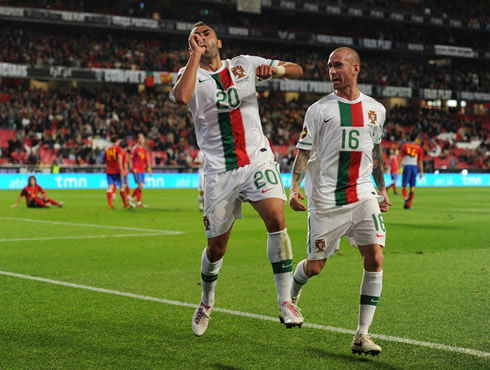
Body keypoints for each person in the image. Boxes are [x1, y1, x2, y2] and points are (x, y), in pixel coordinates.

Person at [169, 21, 304, 336]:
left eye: (207, 34)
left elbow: (297, 69)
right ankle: (206, 300)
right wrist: (194, 56)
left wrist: (277, 71)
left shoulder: (244, 64)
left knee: (276, 218)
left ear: (219, 40)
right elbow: (180, 98)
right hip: (220, 172)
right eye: (195, 36)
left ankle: (285, 300)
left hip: (257, 159)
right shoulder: (189, 73)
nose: (202, 38)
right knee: (216, 249)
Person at [289, 47, 391, 356]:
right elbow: (303, 153)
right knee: (316, 267)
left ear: (355, 68)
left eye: (337, 65)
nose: (332, 71)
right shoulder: (319, 110)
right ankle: (290, 295)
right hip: (326, 200)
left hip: (362, 196)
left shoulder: (376, 110)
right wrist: (293, 189)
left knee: (375, 257)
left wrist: (382, 189)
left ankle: (362, 334)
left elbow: (376, 153)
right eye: (329, 66)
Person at [103, 136, 129, 209]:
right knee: (122, 186)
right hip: (117, 170)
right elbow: (120, 158)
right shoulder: (118, 148)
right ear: (117, 141)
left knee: (110, 187)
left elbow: (104, 159)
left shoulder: (107, 149)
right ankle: (125, 204)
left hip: (109, 170)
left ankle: (110, 205)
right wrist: (121, 169)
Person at [400, 133, 423, 210]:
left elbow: (402, 157)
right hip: (414, 167)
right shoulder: (418, 148)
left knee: (403, 186)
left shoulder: (405, 146)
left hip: (407, 166)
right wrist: (421, 172)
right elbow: (420, 161)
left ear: (409, 137)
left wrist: (399, 168)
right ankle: (409, 205)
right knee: (412, 187)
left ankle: (406, 198)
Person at [131, 133, 152, 208]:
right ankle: (135, 200)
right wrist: (133, 168)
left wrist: (149, 169)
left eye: (143, 138)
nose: (143, 139)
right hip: (137, 170)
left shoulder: (144, 150)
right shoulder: (135, 149)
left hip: (142, 170)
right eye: (141, 138)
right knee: (140, 185)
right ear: (138, 140)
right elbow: (132, 159)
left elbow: (146, 160)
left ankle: (134, 200)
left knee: (141, 186)